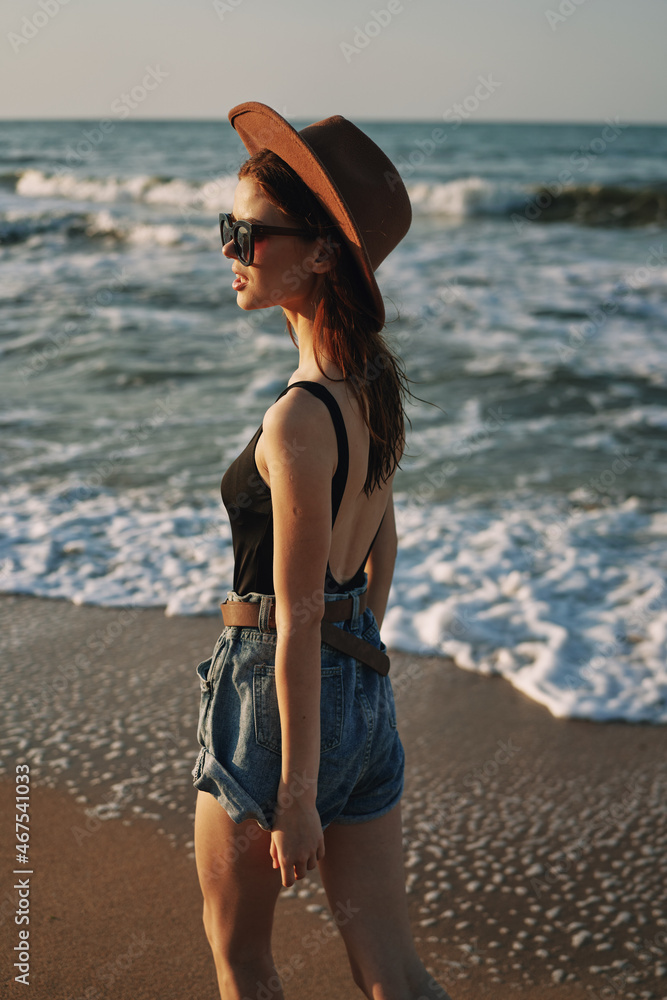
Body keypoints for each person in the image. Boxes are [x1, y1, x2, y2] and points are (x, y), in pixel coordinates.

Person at [192, 102, 452, 1000]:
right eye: (229, 228)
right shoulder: (373, 381)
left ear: (321, 253)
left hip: (276, 699)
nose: (230, 249)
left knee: (243, 961)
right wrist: (366, 647)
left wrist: (297, 794)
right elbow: (384, 534)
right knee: (393, 973)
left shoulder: (299, 415)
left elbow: (295, 613)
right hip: (360, 692)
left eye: (250, 234)